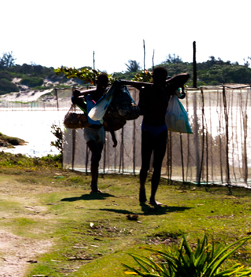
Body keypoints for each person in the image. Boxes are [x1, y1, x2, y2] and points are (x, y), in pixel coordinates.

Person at [118, 67, 189, 207]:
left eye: (162, 78)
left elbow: (185, 75)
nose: (159, 81)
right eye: (157, 78)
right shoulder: (146, 90)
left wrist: (166, 82)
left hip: (161, 129)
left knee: (157, 165)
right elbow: (141, 111)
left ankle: (152, 197)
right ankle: (142, 189)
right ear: (153, 78)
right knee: (145, 165)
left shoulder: (167, 89)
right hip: (148, 129)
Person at [71, 72, 118, 194]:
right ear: (97, 83)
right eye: (101, 82)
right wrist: (75, 95)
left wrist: (113, 137)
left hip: (100, 130)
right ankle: (93, 185)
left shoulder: (106, 99)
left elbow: (109, 119)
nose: (103, 85)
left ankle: (94, 185)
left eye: (105, 83)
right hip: (89, 130)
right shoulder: (89, 96)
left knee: (96, 159)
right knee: (96, 154)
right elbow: (75, 100)